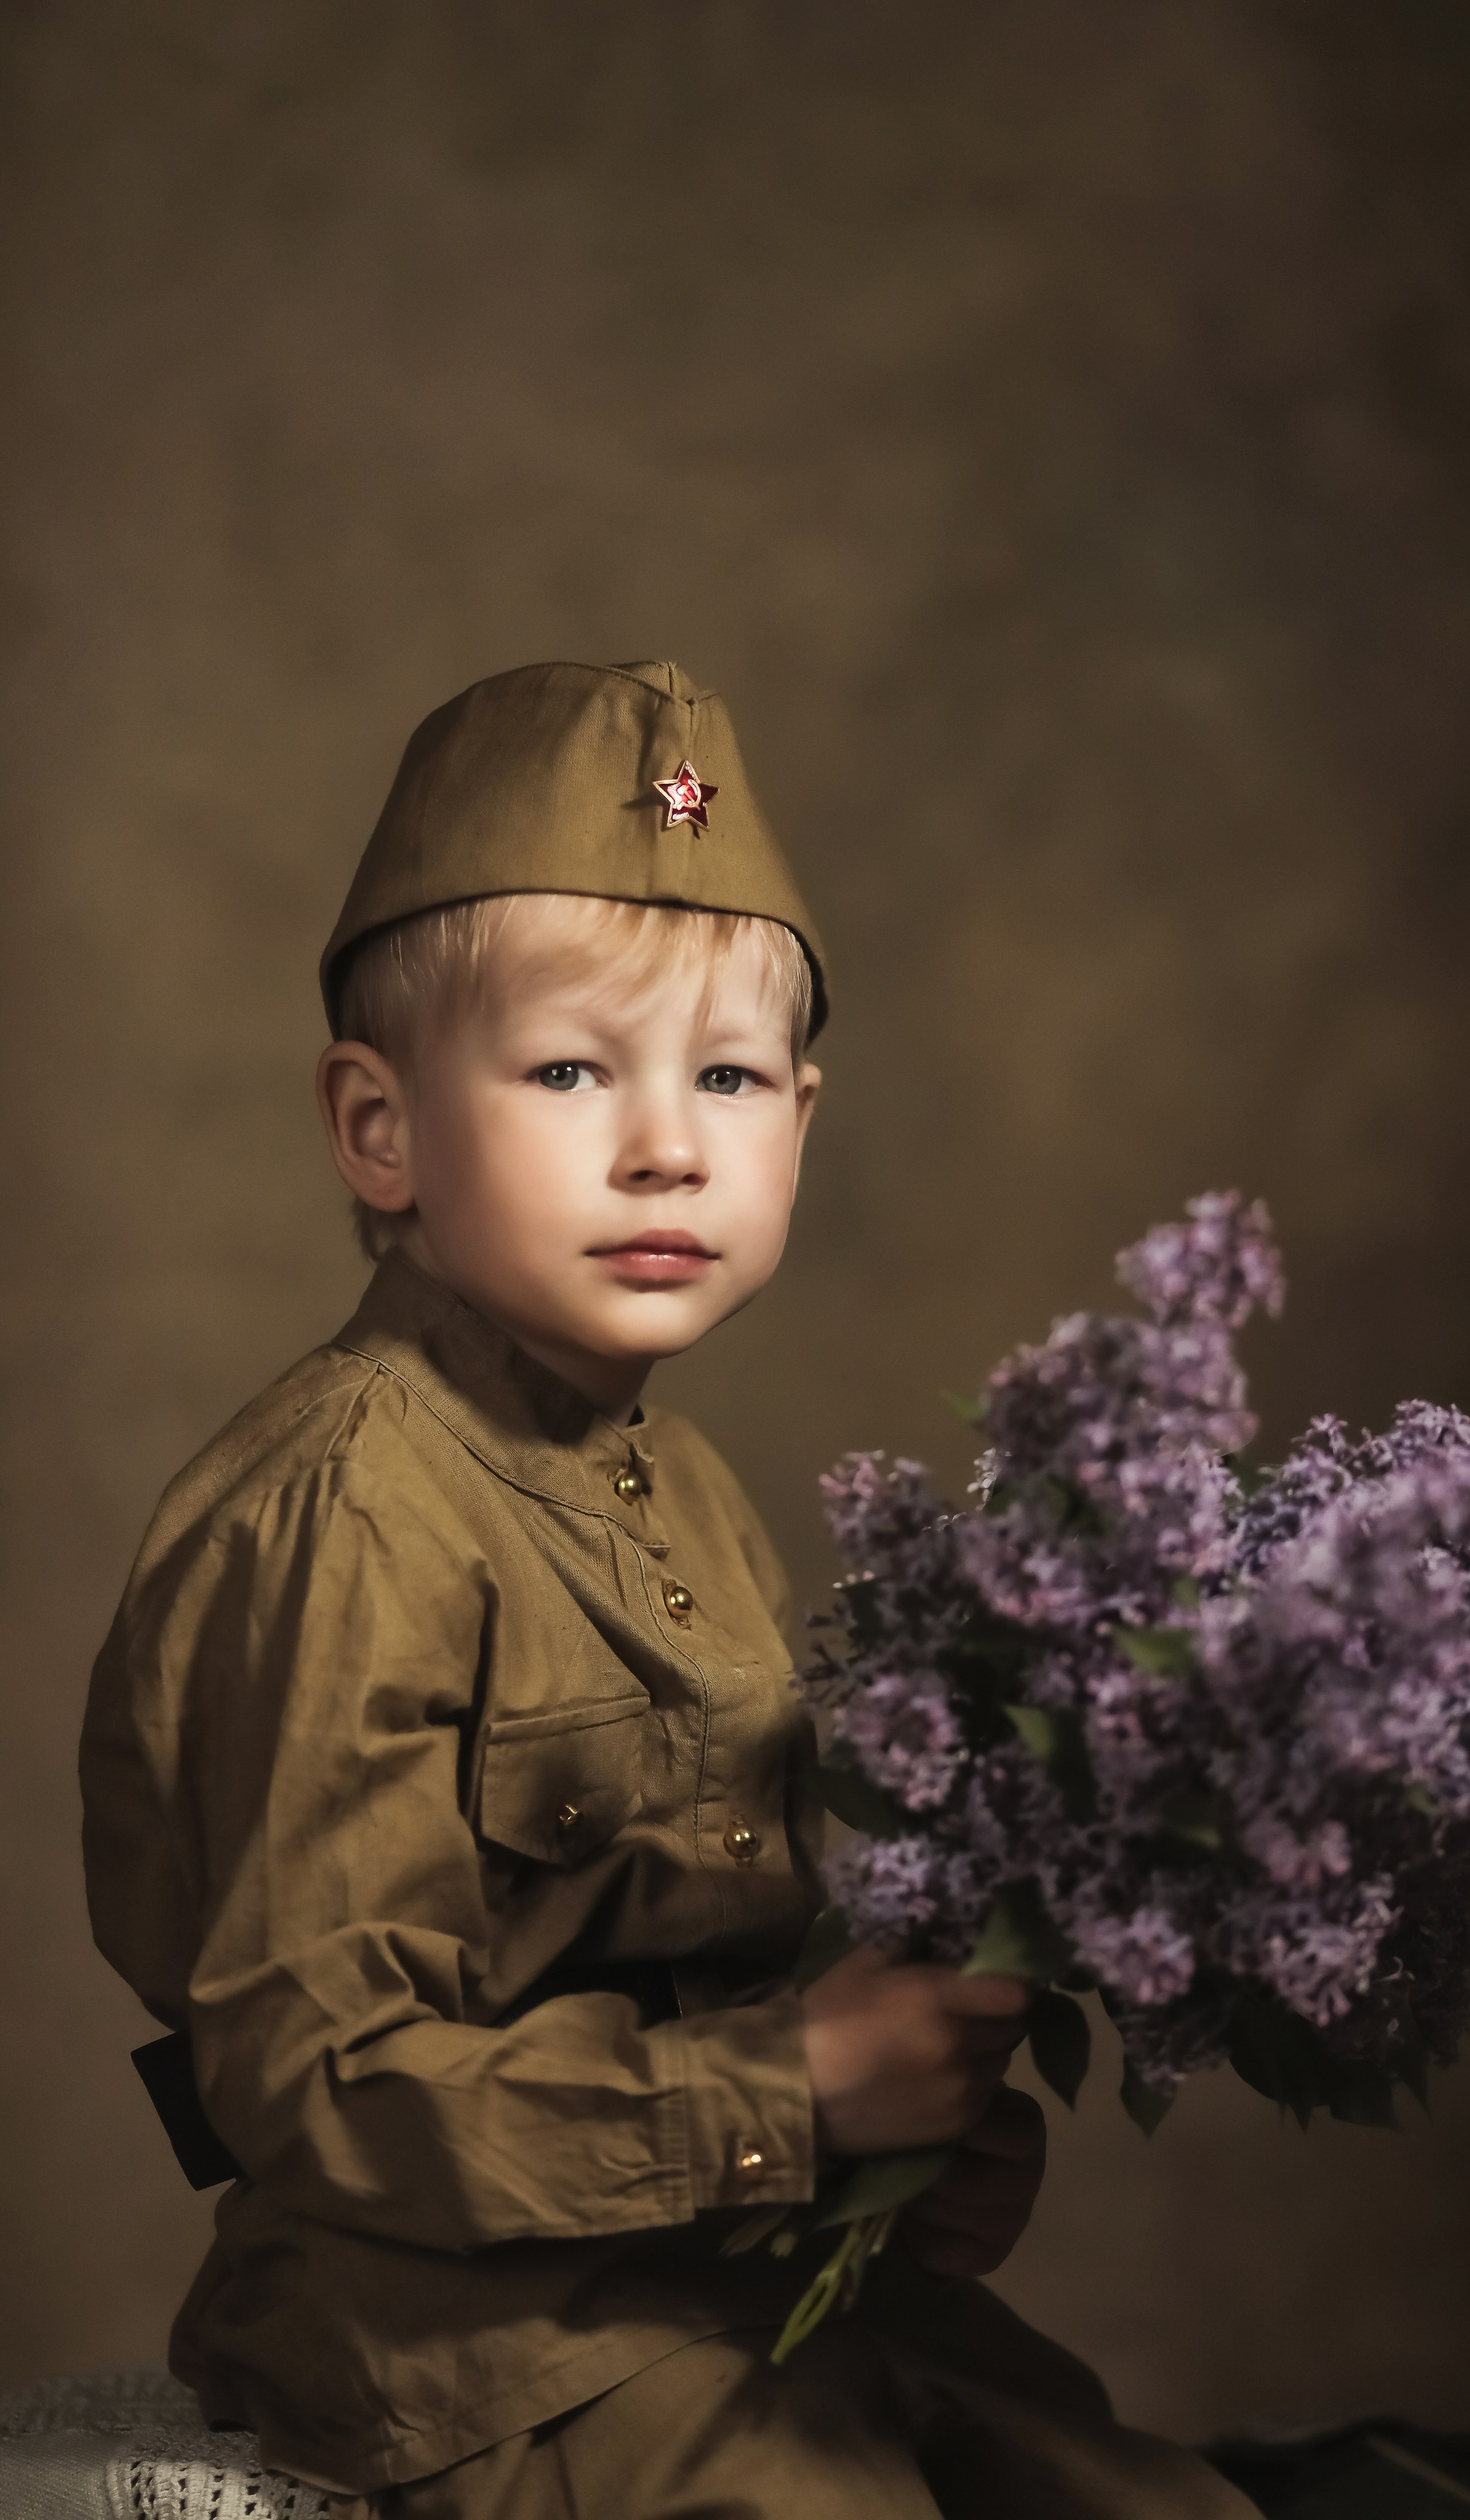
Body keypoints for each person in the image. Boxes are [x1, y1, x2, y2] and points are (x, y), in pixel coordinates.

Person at [81, 661, 1253, 2519]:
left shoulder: (688, 1491)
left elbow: (720, 1939)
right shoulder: (346, 1521)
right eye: (568, 1070)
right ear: (377, 1132)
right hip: (452, 2354)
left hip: (725, 2270)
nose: (666, 1144)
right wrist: (786, 2099)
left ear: (801, 1114)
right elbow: (321, 2087)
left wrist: (913, 2136)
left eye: (726, 1077)